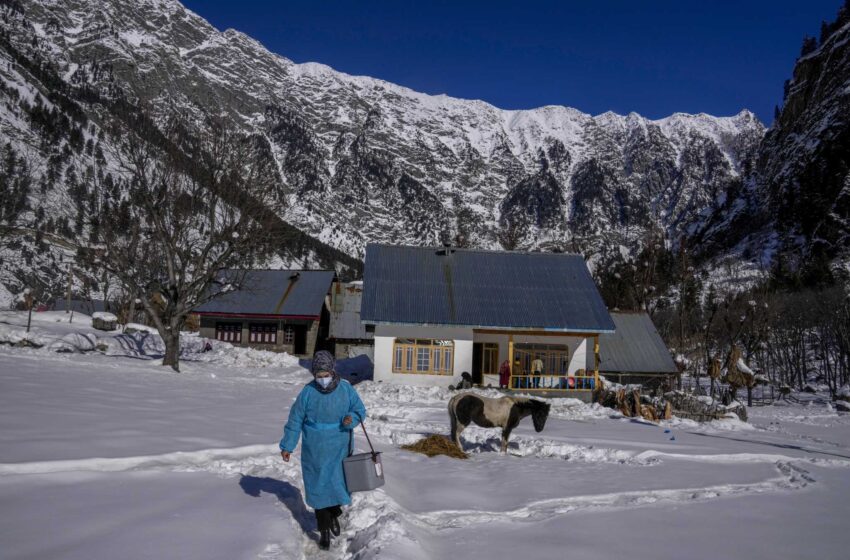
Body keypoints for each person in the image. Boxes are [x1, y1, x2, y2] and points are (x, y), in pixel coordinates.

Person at [280, 350, 367, 551]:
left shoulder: (346, 390)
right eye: (318, 376)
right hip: (315, 449)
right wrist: (287, 446)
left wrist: (350, 419)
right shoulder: (308, 393)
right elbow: (295, 421)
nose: (323, 379)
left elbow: (360, 411)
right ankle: (324, 531)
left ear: (332, 371)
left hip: (339, 447)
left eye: (325, 375)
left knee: (335, 486)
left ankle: (334, 512)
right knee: (318, 488)